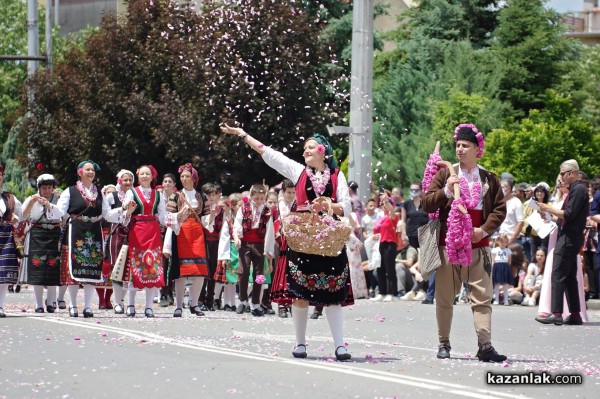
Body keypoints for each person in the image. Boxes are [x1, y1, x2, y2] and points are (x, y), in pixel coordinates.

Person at [220, 124, 353, 361]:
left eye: (310, 148)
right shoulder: (298, 171)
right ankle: (300, 343)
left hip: (330, 240)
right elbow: (270, 154)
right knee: (300, 293)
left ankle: (340, 345)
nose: (305, 152)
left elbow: (347, 206)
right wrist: (243, 134)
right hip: (303, 239)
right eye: (304, 149)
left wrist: (329, 206)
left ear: (323, 151)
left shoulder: (336, 175)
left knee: (333, 293)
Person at [422, 123, 507, 363]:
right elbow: (426, 203)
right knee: (445, 297)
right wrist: (446, 193)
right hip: (447, 244)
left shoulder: (488, 178)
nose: (459, 150)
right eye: (457, 145)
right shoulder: (444, 174)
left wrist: (484, 230)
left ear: (477, 149)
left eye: (465, 146)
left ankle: (485, 344)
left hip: (478, 243)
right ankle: (443, 342)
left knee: (482, 297)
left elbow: (500, 209)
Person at [55, 161, 122, 318]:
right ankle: (72, 305)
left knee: (92, 270)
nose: (91, 172)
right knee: (74, 269)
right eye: (88, 170)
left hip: (94, 231)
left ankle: (87, 307)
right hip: (76, 231)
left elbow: (107, 214)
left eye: (92, 170)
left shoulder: (99, 192)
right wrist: (48, 206)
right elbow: (60, 211)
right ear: (80, 172)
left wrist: (124, 210)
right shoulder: (70, 191)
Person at [536, 160, 588, 326]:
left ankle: (556, 313)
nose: (561, 176)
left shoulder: (578, 189)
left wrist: (547, 208)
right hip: (569, 236)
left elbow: (570, 214)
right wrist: (550, 215)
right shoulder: (575, 189)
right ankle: (575, 314)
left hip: (569, 238)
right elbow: (567, 215)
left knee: (557, 273)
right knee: (570, 276)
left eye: (564, 173)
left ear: (572, 173)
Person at [119, 165, 172, 318]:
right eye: (142, 174)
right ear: (138, 176)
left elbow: (162, 216)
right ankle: (130, 304)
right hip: (137, 232)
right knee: (135, 266)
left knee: (152, 267)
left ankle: (149, 307)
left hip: (153, 232)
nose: (144, 176)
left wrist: (175, 218)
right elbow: (125, 212)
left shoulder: (158, 195)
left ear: (152, 176)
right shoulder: (131, 192)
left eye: (147, 174)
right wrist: (127, 210)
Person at [163, 163, 211, 317]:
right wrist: (178, 215)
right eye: (182, 176)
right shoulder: (175, 196)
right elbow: (167, 217)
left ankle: (194, 303)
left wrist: (214, 215)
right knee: (180, 272)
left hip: (197, 236)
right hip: (181, 234)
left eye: (187, 176)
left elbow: (206, 219)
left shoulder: (202, 196)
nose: (184, 179)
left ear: (194, 178)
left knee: (199, 271)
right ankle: (178, 305)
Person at [21, 174, 62, 313]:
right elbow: (24, 216)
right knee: (37, 268)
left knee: (53, 267)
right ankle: (39, 304)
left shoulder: (58, 199)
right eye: (44, 188)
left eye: (49, 187)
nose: (47, 191)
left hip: (54, 233)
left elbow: (63, 216)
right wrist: (32, 203)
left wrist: (48, 204)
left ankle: (50, 302)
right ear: (39, 188)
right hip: (37, 234)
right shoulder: (31, 198)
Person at [232, 183, 275, 317]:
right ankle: (243, 300)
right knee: (243, 271)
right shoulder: (244, 208)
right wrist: (237, 237)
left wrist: (268, 249)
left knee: (259, 275)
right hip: (245, 242)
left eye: (262, 199)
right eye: (256, 198)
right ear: (251, 197)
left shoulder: (267, 211)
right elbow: (237, 223)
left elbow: (270, 231)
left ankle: (256, 303)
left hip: (259, 244)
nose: (259, 201)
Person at [102, 169, 135, 314]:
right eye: (125, 180)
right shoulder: (112, 196)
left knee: (129, 267)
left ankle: (122, 300)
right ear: (119, 181)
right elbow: (106, 214)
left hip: (133, 233)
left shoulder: (136, 195)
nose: (128, 182)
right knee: (117, 267)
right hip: (116, 233)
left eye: (130, 180)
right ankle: (117, 302)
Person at [371, 190, 399, 302]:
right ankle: (382, 292)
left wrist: (386, 199)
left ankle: (391, 292)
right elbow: (376, 231)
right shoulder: (380, 218)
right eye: (382, 204)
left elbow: (392, 211)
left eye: (385, 204)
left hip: (390, 243)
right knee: (380, 268)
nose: (383, 206)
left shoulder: (393, 216)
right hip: (381, 243)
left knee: (390, 269)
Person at [498, 180, 524, 245]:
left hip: (511, 238)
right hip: (500, 237)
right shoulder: (500, 202)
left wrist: (512, 238)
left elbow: (520, 222)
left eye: (501, 187)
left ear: (508, 189)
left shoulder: (516, 202)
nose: (499, 190)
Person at [491, 235, 512, 306]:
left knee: (505, 285)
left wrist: (508, 269)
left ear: (507, 243)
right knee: (496, 284)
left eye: (505, 242)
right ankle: (496, 300)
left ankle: (505, 300)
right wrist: (492, 269)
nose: (503, 243)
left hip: (505, 266)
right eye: (501, 241)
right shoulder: (494, 250)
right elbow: (493, 260)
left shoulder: (508, 250)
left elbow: (509, 261)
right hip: (497, 266)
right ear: (498, 242)